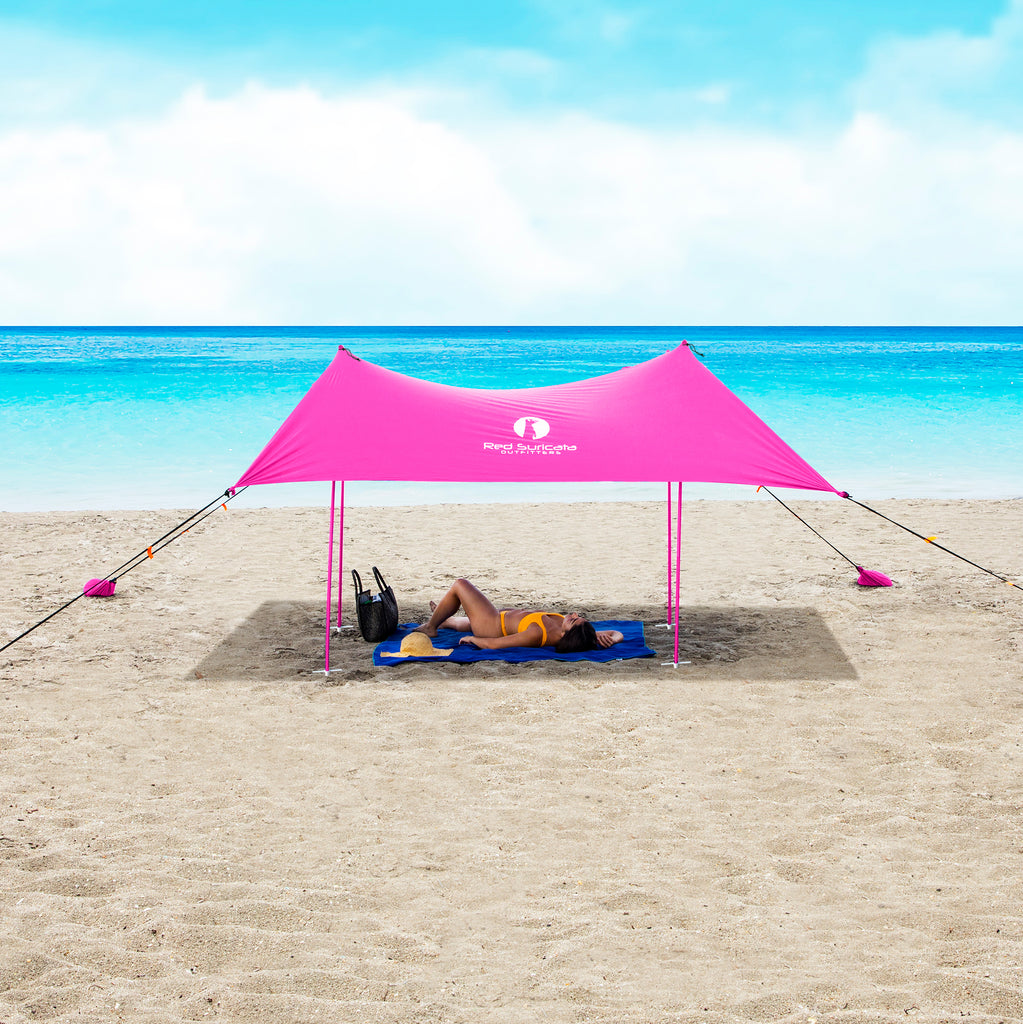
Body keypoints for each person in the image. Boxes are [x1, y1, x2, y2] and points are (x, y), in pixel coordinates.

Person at [414, 578, 623, 653]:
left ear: (571, 634)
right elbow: (616, 632)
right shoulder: (577, 633)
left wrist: (473, 639)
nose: (573, 614)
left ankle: (432, 626)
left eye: (575, 620)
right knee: (458, 622)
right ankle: (447, 620)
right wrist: (610, 640)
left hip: (491, 625)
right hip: (499, 617)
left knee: (461, 585)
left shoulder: (536, 634)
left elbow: (498, 644)